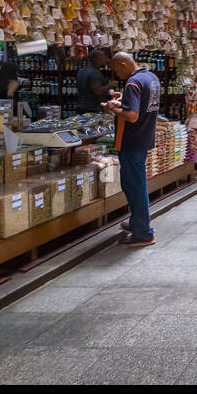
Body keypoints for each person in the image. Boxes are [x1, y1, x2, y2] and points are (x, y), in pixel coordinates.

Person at [103, 51, 161, 247]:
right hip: (144, 138)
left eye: (116, 70)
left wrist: (113, 107)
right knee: (136, 184)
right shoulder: (151, 78)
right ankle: (138, 222)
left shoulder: (132, 83)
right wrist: (123, 101)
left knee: (134, 186)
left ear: (123, 64)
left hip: (132, 141)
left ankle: (143, 232)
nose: (116, 74)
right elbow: (143, 106)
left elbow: (132, 115)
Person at [76, 48, 111, 114]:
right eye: (103, 58)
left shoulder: (82, 70)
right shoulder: (95, 73)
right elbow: (98, 91)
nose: (105, 60)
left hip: (81, 105)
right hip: (91, 108)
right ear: (97, 59)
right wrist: (110, 85)